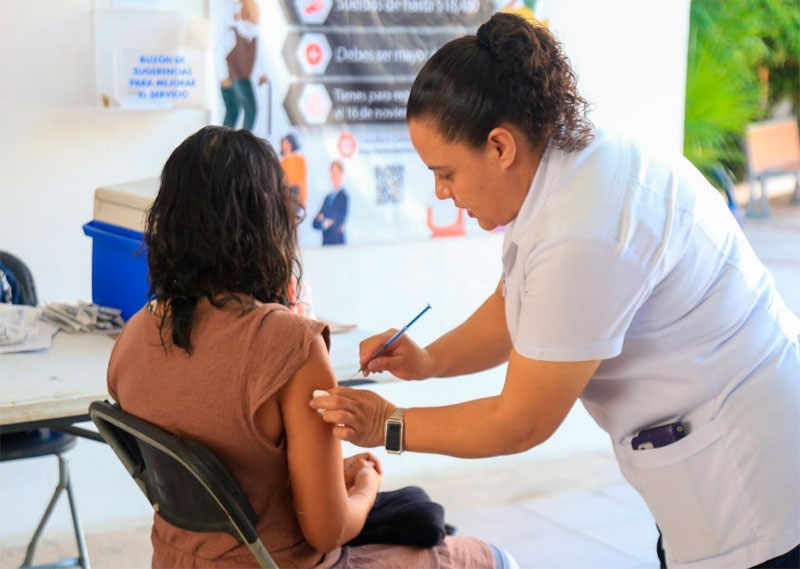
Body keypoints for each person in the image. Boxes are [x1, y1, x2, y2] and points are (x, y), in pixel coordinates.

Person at [310, 13, 800, 569]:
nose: (441, 192)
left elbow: (521, 422)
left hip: (753, 478)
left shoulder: (585, 226)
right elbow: (513, 307)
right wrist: (429, 361)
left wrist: (387, 426)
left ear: (499, 146)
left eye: (445, 172)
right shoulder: (558, 171)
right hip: (701, 463)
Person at [106, 126, 509, 569]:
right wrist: (366, 483)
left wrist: (331, 474)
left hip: (173, 562)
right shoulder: (291, 348)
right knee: (489, 558)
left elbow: (228, 455)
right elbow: (328, 530)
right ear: (270, 222)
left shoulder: (135, 337)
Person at [220, 0, 267, 132]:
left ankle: (229, 139)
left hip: (243, 76)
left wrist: (261, 74)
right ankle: (237, 140)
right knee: (245, 108)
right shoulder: (233, 33)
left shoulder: (252, 36)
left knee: (236, 110)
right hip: (234, 77)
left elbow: (255, 58)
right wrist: (224, 77)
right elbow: (220, 55)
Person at [313, 161, 349, 246]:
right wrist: (326, 222)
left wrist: (323, 217)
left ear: (341, 174)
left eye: (334, 173)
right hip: (325, 244)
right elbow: (315, 223)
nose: (332, 176)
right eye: (331, 173)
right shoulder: (327, 198)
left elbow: (338, 220)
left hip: (337, 243)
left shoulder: (344, 197)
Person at [280, 132, 308, 208]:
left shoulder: (300, 159)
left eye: (287, 143)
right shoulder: (282, 162)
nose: (285, 146)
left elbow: (303, 179)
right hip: (284, 192)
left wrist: (303, 198)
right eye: (283, 144)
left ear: (291, 143)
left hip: (296, 192)